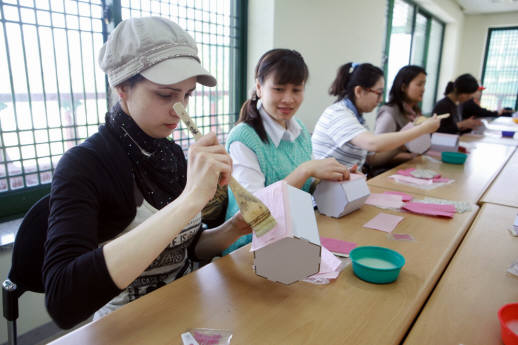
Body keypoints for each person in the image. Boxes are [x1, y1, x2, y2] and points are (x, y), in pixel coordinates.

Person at [42, 17, 251, 329]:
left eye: (187, 95)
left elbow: (187, 248)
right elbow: (64, 303)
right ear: (122, 87)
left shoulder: (171, 154)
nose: (180, 110)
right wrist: (190, 200)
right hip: (127, 325)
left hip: (188, 307)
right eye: (165, 95)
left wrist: (235, 227)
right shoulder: (84, 164)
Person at [222, 49, 352, 255]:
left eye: (296, 90)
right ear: (259, 87)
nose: (288, 99)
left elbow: (308, 186)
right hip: (250, 246)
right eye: (279, 89)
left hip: (294, 234)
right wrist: (305, 170)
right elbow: (253, 212)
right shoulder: (243, 138)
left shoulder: (298, 129)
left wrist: (337, 177)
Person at [312, 62, 442, 174]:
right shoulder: (338, 113)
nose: (380, 100)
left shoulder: (358, 119)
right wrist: (422, 130)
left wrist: (401, 144)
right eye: (378, 93)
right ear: (358, 91)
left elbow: (372, 159)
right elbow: (373, 143)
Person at [375, 65, 427, 166]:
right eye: (419, 84)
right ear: (403, 87)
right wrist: (412, 157)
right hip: (388, 173)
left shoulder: (415, 112)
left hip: (410, 168)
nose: (423, 89)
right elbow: (378, 153)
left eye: (424, 85)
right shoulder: (389, 113)